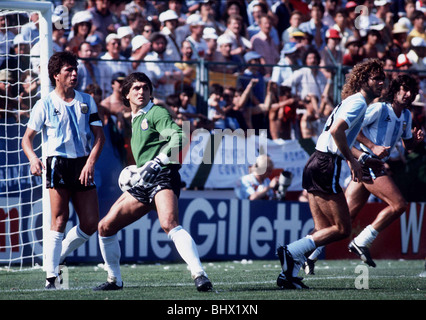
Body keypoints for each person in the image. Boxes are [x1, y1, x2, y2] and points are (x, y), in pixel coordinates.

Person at [93, 72, 212, 292]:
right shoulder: (134, 117)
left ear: (151, 92)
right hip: (142, 180)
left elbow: (180, 137)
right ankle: (114, 280)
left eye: (145, 88)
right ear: (126, 94)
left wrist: (157, 162)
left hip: (162, 175)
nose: (141, 91)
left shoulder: (156, 112)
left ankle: (200, 275)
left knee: (168, 223)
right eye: (136, 88)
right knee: (105, 227)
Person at [276, 58, 385, 289]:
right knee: (342, 229)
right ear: (364, 80)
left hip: (315, 160)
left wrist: (360, 157)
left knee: (322, 228)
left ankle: (288, 275)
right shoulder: (358, 104)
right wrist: (351, 159)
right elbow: (337, 131)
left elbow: (340, 134)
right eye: (377, 78)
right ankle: (290, 252)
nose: (381, 83)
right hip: (327, 164)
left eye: (382, 79)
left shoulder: (351, 101)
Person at [21, 51, 105, 289]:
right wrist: (33, 158)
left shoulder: (87, 101)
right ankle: (51, 277)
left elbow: (100, 137)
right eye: (69, 70)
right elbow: (27, 139)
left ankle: (56, 258)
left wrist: (90, 162)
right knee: (59, 219)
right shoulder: (44, 104)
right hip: (57, 164)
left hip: (82, 164)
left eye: (75, 69)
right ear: (56, 75)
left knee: (90, 223)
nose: (74, 73)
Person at [345, 74, 424, 267]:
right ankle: (361, 242)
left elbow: (407, 145)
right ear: (395, 90)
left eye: (411, 92)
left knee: (344, 219)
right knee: (399, 205)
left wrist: (415, 141)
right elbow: (353, 129)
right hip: (367, 162)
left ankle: (307, 252)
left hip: (374, 165)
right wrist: (372, 147)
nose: (407, 94)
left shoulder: (406, 115)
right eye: (403, 89)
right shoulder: (380, 109)